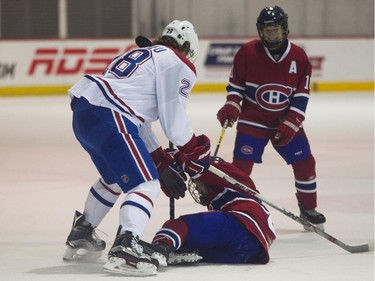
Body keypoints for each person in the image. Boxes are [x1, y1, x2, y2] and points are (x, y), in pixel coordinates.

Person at [62, 20, 211, 276]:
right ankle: (126, 247)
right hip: (112, 116)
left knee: (116, 178)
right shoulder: (178, 62)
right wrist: (195, 151)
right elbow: (174, 123)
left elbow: (137, 121)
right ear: (188, 49)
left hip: (86, 113)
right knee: (145, 184)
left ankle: (83, 232)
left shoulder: (138, 53)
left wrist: (161, 161)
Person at [216, 6, 326, 229]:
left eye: (275, 30)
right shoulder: (247, 52)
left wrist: (291, 123)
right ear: (260, 31)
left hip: (284, 119)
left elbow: (302, 95)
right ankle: (236, 209)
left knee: (305, 162)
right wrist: (232, 105)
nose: (272, 35)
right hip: (253, 118)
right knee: (241, 166)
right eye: (267, 31)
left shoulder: (299, 56)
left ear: (285, 30)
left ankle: (308, 207)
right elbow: (236, 86)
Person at [141, 156, 276, 264]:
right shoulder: (222, 194)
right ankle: (174, 248)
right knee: (194, 250)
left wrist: (172, 156)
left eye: (197, 183)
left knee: (180, 225)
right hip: (252, 252)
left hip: (242, 225)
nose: (197, 188)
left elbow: (200, 166)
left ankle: (160, 247)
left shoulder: (223, 171)